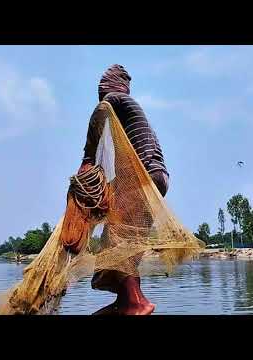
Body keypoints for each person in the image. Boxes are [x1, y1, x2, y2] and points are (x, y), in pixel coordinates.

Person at [77, 64, 169, 315]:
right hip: (156, 177)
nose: (99, 98)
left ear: (106, 88)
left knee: (116, 244)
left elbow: (89, 155)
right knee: (125, 245)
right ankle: (124, 302)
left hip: (143, 177)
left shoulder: (111, 101)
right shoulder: (125, 109)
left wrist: (77, 188)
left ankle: (137, 303)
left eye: (100, 91)